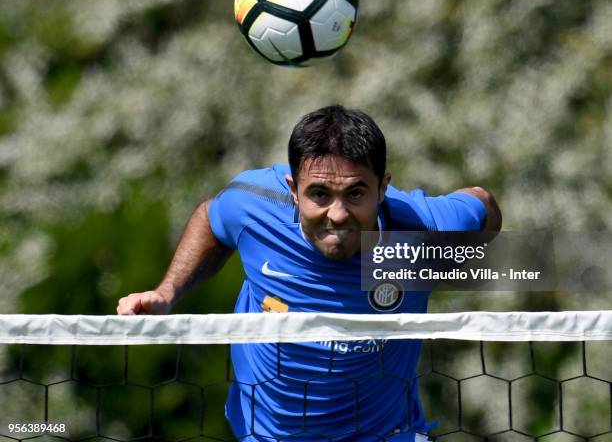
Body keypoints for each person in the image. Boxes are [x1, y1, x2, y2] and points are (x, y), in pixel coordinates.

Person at [117, 105, 502, 442]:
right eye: (319, 194)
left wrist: (455, 259)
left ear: (383, 187)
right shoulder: (255, 204)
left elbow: (482, 202)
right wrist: (167, 292)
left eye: (355, 193)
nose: (337, 214)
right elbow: (211, 218)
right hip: (267, 435)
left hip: (386, 434)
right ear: (293, 189)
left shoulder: (421, 231)